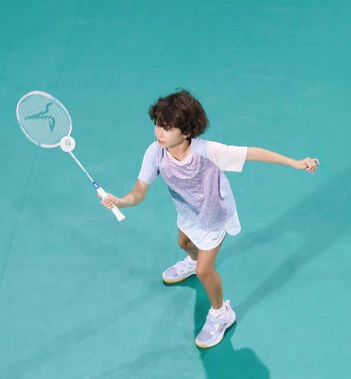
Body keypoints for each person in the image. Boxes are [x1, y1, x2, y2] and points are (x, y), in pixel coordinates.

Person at [100, 89, 319, 348]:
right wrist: (120, 201)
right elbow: (138, 192)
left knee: (204, 271)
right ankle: (192, 261)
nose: (159, 132)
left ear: (186, 131)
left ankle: (221, 314)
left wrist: (295, 162)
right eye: (158, 124)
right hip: (188, 211)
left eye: (167, 127)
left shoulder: (208, 152)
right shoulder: (156, 152)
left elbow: (251, 153)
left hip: (214, 215)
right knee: (184, 244)